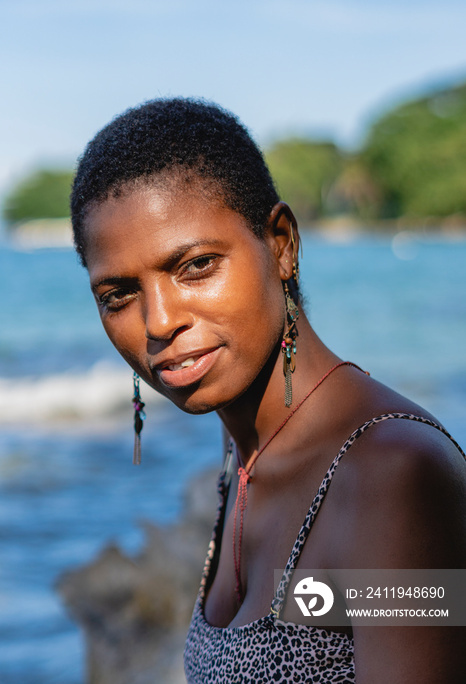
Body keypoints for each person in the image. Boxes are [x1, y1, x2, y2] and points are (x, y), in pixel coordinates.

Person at [71, 98, 466, 683]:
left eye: (196, 265)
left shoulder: (391, 475)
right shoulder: (243, 456)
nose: (157, 322)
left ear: (281, 244)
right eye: (118, 295)